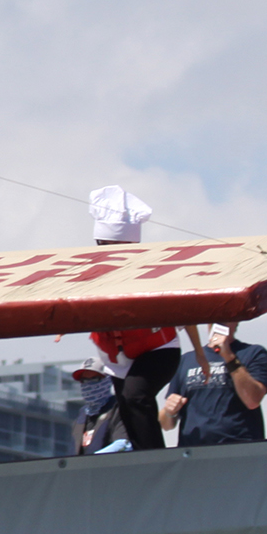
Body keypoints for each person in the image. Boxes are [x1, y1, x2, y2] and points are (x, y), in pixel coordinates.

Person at [85, 185, 178, 452]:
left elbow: (184, 314)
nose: (107, 250)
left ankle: (156, 459)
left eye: (113, 245)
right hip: (116, 355)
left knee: (136, 397)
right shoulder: (91, 270)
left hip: (157, 347)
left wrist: (199, 353)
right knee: (126, 408)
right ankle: (141, 457)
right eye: (103, 244)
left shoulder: (150, 269)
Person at [160, 323, 267, 445]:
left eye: (225, 318)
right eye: (214, 318)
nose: (218, 322)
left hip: (239, 448)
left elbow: (252, 400)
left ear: (236, 321)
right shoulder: (186, 360)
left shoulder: (253, 353)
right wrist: (170, 411)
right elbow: (165, 424)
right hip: (194, 452)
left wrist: (228, 356)